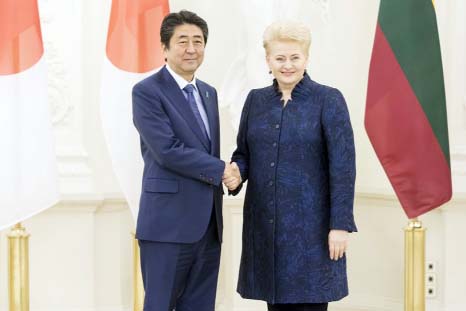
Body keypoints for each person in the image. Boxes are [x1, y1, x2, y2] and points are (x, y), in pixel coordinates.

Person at [226, 21, 357, 311]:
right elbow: (244, 154)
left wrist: (340, 225)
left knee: (309, 301)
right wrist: (237, 173)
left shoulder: (328, 99)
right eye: (280, 58)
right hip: (266, 228)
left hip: (313, 231)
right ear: (268, 60)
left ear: (306, 58)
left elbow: (343, 168)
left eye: (294, 58)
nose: (287, 65)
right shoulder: (255, 100)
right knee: (275, 303)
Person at [132, 10, 240, 311]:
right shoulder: (147, 92)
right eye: (182, 41)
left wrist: (231, 176)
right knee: (160, 305)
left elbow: (206, 150)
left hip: (208, 226)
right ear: (164, 48)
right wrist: (222, 170)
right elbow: (167, 149)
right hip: (167, 226)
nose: (191, 48)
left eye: (198, 41)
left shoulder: (208, 93)